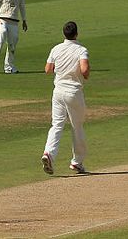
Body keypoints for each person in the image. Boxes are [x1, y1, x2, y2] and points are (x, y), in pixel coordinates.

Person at [41, 21, 89, 175]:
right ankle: (77, 162)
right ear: (76, 34)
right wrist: (85, 74)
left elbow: (48, 69)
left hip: (58, 92)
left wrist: (60, 67)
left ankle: (48, 153)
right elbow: (85, 70)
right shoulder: (81, 50)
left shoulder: (56, 49)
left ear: (64, 34)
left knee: (56, 125)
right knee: (77, 126)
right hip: (73, 92)